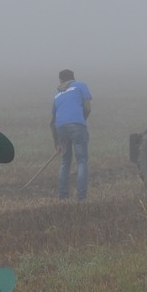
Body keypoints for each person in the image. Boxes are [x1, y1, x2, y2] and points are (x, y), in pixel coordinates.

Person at [51, 68, 93, 201]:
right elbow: (87, 107)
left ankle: (63, 196)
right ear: (73, 78)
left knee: (64, 162)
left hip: (60, 127)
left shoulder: (57, 94)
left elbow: (52, 122)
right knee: (81, 161)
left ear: (61, 80)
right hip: (77, 125)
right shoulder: (80, 85)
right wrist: (81, 120)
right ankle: (81, 197)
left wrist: (57, 143)